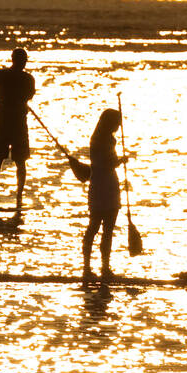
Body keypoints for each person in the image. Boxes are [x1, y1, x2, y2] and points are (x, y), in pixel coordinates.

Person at [0, 45, 35, 222]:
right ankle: (4, 194)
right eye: (22, 60)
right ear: (19, 61)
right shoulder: (20, 77)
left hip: (11, 123)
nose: (23, 63)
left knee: (14, 161)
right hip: (9, 123)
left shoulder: (9, 76)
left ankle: (12, 195)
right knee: (7, 161)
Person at [81, 109, 125, 280]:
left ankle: (98, 267)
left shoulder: (99, 138)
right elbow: (107, 163)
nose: (119, 126)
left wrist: (118, 161)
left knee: (99, 227)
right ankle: (97, 267)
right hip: (103, 185)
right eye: (117, 122)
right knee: (100, 228)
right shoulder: (103, 140)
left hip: (103, 184)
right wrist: (121, 160)